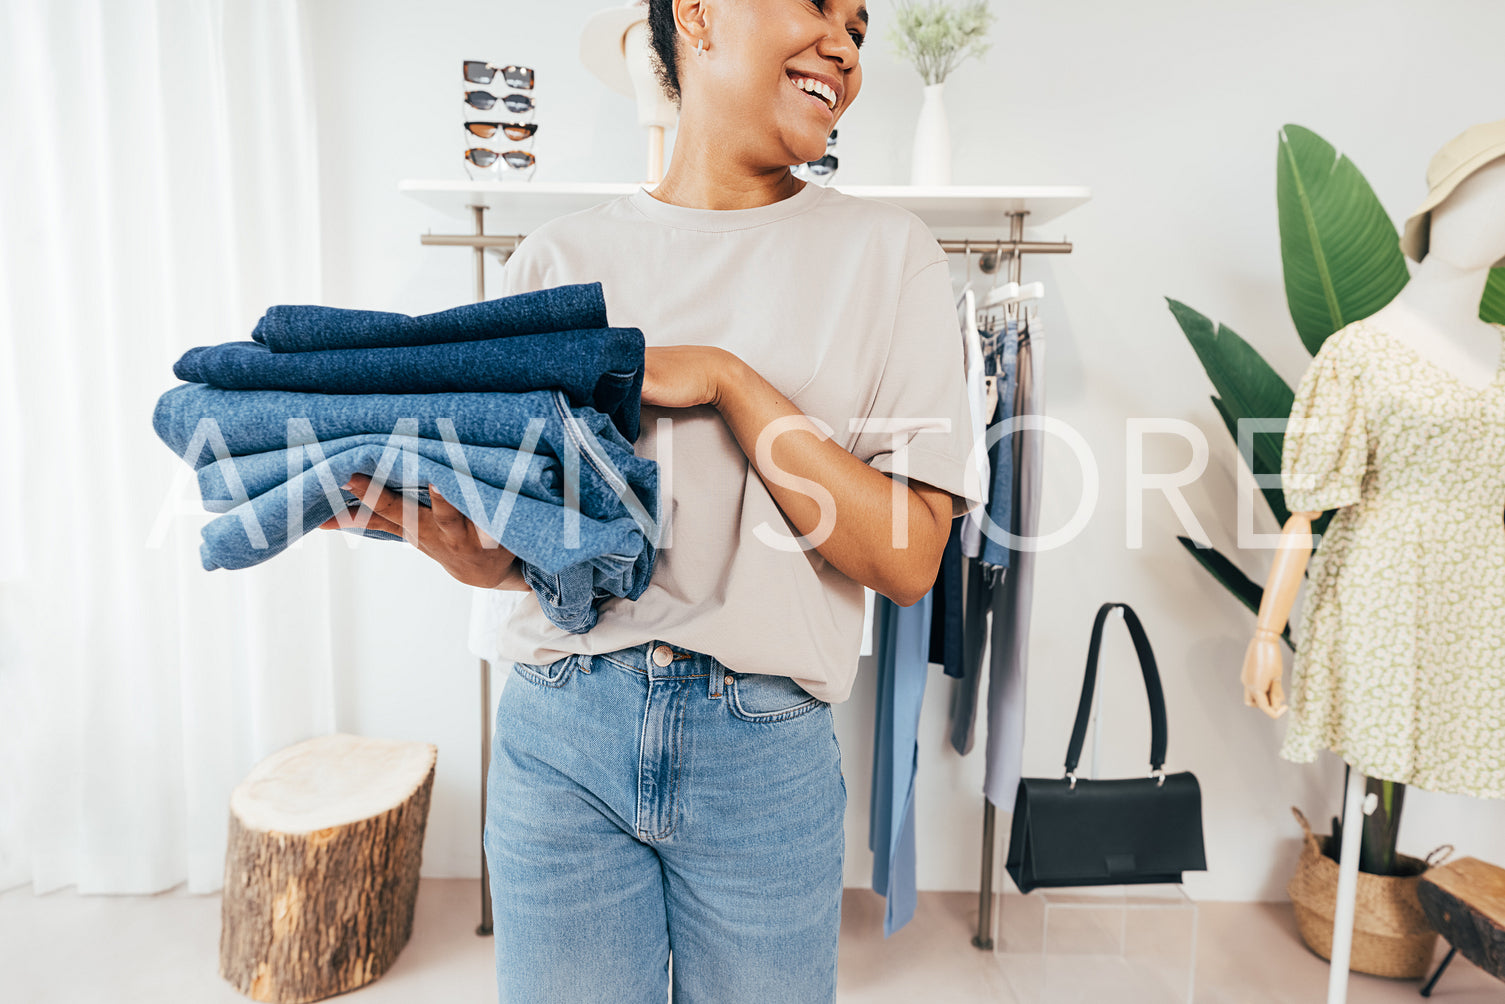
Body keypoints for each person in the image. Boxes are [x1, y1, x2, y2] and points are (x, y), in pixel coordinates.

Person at [331, 0, 981, 999]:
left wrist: (729, 380)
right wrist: (471, 551)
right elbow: (530, 552)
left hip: (763, 758)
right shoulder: (552, 264)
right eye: (817, 7)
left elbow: (905, 557)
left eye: (858, 26)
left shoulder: (888, 258)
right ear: (700, 16)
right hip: (561, 734)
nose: (846, 44)